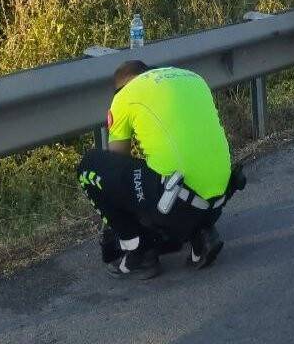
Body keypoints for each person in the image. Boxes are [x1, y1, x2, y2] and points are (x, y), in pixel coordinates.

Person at [76, 62, 240, 279]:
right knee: (167, 170)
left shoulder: (125, 95)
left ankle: (139, 250)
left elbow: (117, 160)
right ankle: (199, 233)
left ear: (120, 87)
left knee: (89, 166)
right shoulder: (193, 78)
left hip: (175, 203)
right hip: (218, 202)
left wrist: (114, 226)